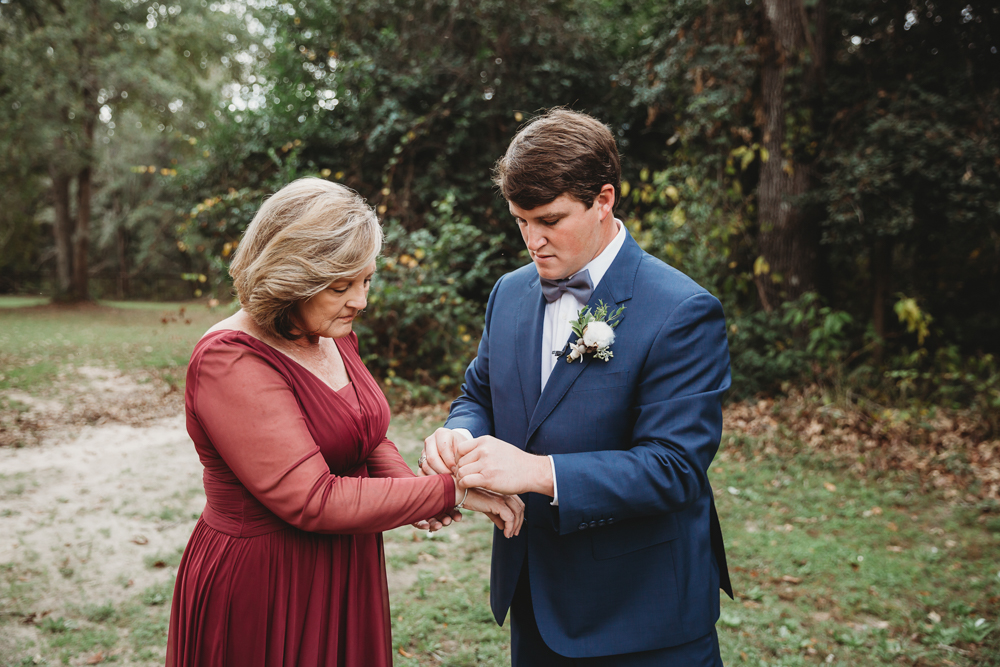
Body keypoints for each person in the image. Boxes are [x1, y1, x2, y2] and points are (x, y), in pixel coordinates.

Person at [165, 178, 523, 667]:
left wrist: (406, 489)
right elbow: (312, 498)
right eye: (341, 286)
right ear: (290, 279)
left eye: (366, 280)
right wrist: (449, 491)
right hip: (267, 580)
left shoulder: (327, 330)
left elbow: (363, 434)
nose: (362, 301)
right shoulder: (230, 361)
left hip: (346, 560)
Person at [419, 109, 733, 665]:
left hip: (643, 617)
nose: (533, 241)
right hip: (536, 600)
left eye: (549, 219)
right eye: (520, 221)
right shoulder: (510, 293)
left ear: (603, 199)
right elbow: (480, 395)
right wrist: (458, 436)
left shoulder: (681, 310)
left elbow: (676, 468)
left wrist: (538, 472)